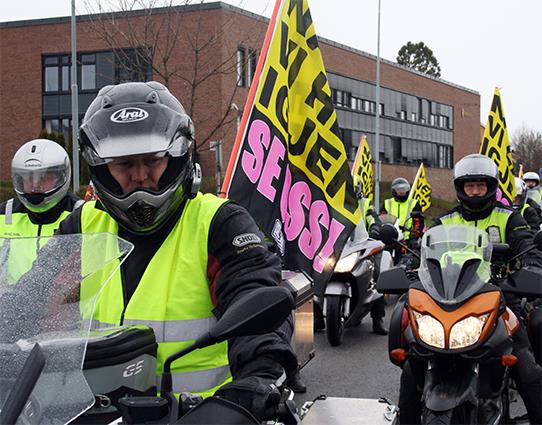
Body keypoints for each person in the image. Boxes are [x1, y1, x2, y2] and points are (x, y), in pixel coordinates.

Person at [55, 81, 297, 420]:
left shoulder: (218, 223)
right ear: (99, 167)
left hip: (204, 415)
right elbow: (36, 301)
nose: (139, 176)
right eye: (123, 164)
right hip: (90, 414)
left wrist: (258, 379)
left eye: (153, 160)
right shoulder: (81, 226)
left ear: (178, 156)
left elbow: (253, 294)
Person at [398, 153, 542, 424]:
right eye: (469, 186)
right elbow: (420, 251)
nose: (475, 191)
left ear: (491, 187)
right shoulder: (446, 220)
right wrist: (407, 265)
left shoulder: (508, 218)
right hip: (447, 297)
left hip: (499, 298)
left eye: (481, 185)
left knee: (526, 366)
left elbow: (527, 245)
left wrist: (532, 268)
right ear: (460, 188)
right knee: (413, 362)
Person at [0, 139, 82, 282]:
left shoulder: (80, 214)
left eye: (45, 177)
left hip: (66, 303)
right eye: (28, 177)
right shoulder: (4, 214)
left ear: (61, 177)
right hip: (11, 301)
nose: (35, 185)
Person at [352, 175, 388, 335]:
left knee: (377, 277)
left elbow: (373, 220)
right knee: (318, 274)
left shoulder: (365, 204)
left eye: (352, 189)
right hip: (340, 248)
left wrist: (374, 230)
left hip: (363, 246)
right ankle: (317, 318)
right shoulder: (335, 204)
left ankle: (377, 319)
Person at [380, 177, 423, 243]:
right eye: (399, 190)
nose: (402, 192)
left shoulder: (414, 204)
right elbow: (381, 221)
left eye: (404, 189)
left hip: (408, 240)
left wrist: (414, 235)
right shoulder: (387, 203)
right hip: (389, 239)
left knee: (416, 251)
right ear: (394, 191)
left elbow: (418, 222)